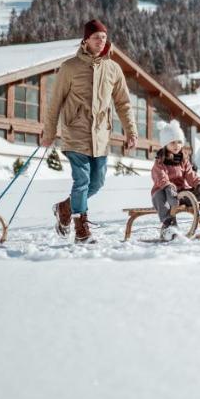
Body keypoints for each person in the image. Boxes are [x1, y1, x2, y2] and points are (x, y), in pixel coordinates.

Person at [41, 19, 136, 244]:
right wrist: (49, 132)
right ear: (86, 40)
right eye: (96, 38)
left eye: (103, 38)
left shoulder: (113, 68)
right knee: (81, 181)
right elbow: (55, 103)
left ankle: (65, 207)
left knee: (97, 183)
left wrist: (131, 131)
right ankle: (81, 227)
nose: (101, 42)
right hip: (75, 133)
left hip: (101, 135)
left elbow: (123, 103)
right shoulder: (69, 67)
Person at [150, 120, 200, 241]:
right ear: (165, 144)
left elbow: (191, 176)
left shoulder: (183, 160)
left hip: (181, 193)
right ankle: (168, 226)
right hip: (164, 192)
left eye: (179, 142)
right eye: (172, 142)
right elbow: (160, 177)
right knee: (159, 196)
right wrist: (168, 187)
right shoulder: (160, 162)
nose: (176, 145)